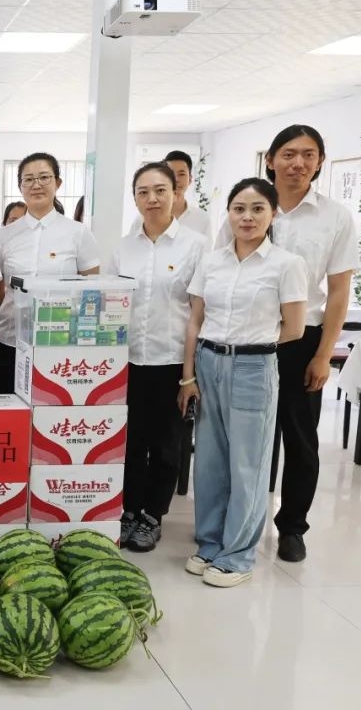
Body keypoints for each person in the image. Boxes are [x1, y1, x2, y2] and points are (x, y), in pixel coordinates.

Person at [214, 125, 357, 563]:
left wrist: (323, 354)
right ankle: (237, 521)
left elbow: (338, 292)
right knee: (242, 438)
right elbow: (220, 271)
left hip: (302, 339)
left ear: (320, 162)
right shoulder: (247, 208)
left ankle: (292, 527)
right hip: (247, 337)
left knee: (299, 438)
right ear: (271, 160)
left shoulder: (335, 217)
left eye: (309, 155)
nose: (299, 163)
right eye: (289, 154)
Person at [180, 177, 308, 587]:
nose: (247, 217)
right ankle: (210, 543)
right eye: (239, 208)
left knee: (247, 464)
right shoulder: (212, 261)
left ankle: (237, 556)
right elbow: (195, 321)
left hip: (253, 367)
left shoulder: (286, 264)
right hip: (207, 362)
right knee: (210, 462)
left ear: (272, 214)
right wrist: (188, 376)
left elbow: (294, 328)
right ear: (229, 214)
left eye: (257, 209)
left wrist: (250, 345)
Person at [105, 162, 206, 552]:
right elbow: (110, 305)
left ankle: (153, 515)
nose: (152, 198)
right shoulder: (123, 248)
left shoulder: (195, 246)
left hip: (172, 362)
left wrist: (189, 375)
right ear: (134, 198)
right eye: (143, 192)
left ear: (175, 193)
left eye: (160, 190)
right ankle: (130, 510)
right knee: (130, 442)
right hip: (128, 361)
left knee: (167, 444)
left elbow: (198, 313)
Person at [0, 153, 100, 394]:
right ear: (20, 186)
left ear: (58, 183)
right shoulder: (4, 235)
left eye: (44, 177)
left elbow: (91, 288)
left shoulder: (78, 233)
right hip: (11, 341)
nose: (36, 184)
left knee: (55, 408)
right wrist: (17, 308)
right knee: (8, 409)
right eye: (28, 179)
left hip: (60, 345)